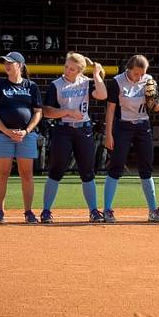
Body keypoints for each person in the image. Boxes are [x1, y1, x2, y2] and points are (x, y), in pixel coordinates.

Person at [40, 52, 108, 223]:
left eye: (72, 69)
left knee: (87, 171)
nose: (67, 71)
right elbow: (47, 111)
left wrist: (96, 74)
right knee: (56, 170)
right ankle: (46, 211)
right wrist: (68, 111)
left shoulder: (86, 82)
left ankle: (93, 210)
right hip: (63, 130)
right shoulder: (56, 85)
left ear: (80, 71)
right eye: (66, 67)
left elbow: (103, 95)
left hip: (83, 130)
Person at [103, 54, 159, 223]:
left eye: (143, 73)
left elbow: (157, 107)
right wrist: (108, 134)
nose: (140, 77)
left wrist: (156, 102)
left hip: (143, 125)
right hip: (123, 126)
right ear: (128, 69)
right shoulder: (117, 82)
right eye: (137, 73)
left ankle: (153, 210)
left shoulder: (148, 80)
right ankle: (107, 210)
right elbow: (110, 110)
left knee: (146, 167)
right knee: (116, 166)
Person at [0, 51, 43, 224]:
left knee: (26, 174)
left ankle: (28, 212)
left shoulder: (31, 86)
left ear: (20, 65)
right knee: (2, 173)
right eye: (5, 63)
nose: (7, 65)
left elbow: (38, 112)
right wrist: (6, 131)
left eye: (10, 62)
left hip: (26, 136)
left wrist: (26, 131)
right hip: (3, 135)